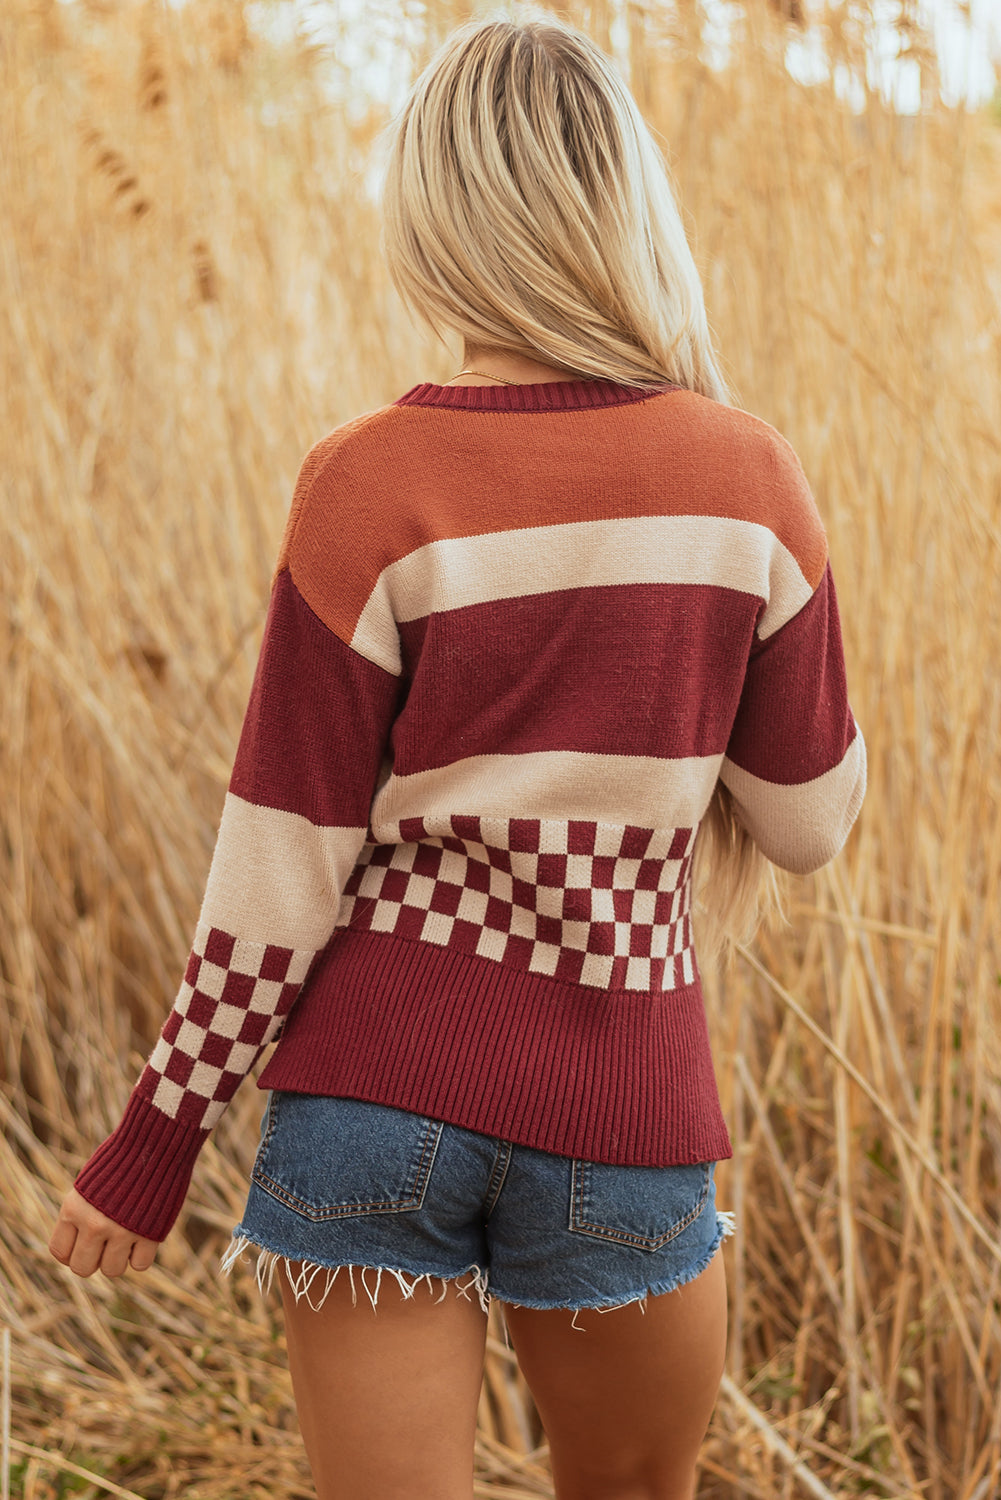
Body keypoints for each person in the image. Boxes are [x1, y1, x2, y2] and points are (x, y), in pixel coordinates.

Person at [48, 10, 866, 1499]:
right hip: (621, 1108)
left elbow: (279, 867)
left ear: (430, 214)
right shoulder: (746, 478)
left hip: (370, 1097)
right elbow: (809, 822)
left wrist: (157, 1134)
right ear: (626, 206)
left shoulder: (362, 481)